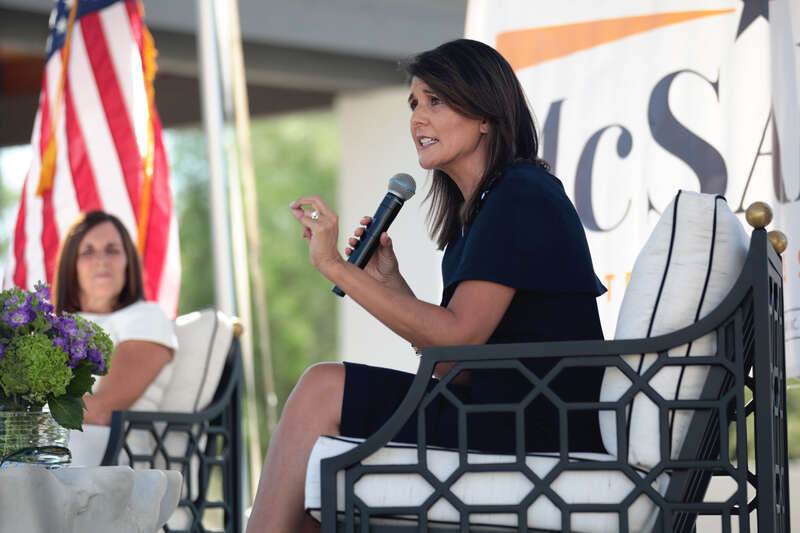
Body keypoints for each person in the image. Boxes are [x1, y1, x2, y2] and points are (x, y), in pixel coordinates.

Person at [246, 39, 607, 532]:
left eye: (436, 100)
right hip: (503, 408)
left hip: (535, 423)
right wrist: (390, 283)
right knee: (318, 461)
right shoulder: (482, 211)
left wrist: (336, 266)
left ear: (486, 115)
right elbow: (457, 364)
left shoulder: (521, 193)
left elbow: (457, 339)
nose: (418, 117)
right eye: (414, 103)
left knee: (320, 390)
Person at [52, 210, 178, 465]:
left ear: (127, 262)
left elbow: (102, 411)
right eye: (88, 251)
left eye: (112, 250)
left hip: (112, 458)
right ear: (71, 265)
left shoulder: (146, 316)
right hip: (58, 451)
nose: (101, 260)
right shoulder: (51, 328)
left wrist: (26, 418)